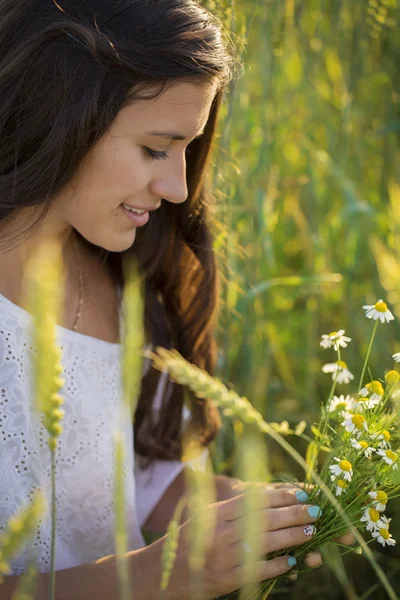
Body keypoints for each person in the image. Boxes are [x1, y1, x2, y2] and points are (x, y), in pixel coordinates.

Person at [0, 1, 354, 598]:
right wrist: (150, 577)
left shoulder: (128, 284)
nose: (178, 187)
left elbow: (134, 484)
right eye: (155, 148)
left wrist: (278, 513)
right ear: (62, 113)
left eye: (188, 149)